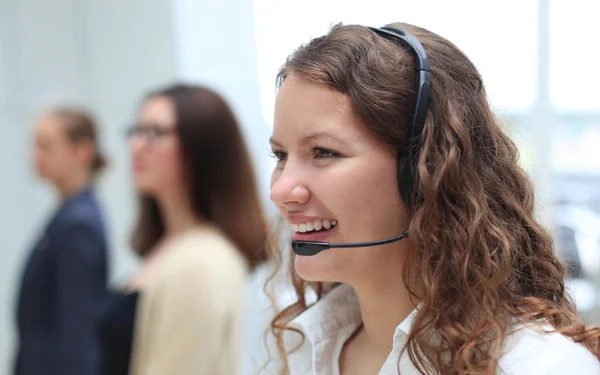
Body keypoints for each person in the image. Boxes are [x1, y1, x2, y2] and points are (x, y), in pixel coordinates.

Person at [266, 22, 600, 375]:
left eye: (324, 152)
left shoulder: (539, 366)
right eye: (280, 156)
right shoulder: (312, 348)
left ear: (425, 169)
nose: (281, 190)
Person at [97, 83, 270, 375]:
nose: (137, 145)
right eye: (136, 131)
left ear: (203, 148)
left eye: (156, 132)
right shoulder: (173, 247)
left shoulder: (201, 263)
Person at [15, 108, 109, 375]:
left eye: (45, 146)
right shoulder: (68, 215)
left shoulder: (78, 223)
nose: (35, 156)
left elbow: (76, 332)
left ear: (82, 152)